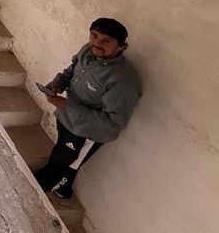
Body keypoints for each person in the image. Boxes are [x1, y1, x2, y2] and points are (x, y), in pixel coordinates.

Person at [34, 17, 142, 203]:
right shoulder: (88, 51)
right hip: (67, 119)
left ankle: (35, 192)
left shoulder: (123, 81)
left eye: (106, 41)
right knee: (64, 155)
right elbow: (72, 70)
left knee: (63, 163)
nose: (97, 43)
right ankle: (63, 190)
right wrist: (59, 82)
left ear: (121, 47)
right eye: (94, 35)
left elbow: (112, 123)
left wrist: (65, 105)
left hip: (87, 133)